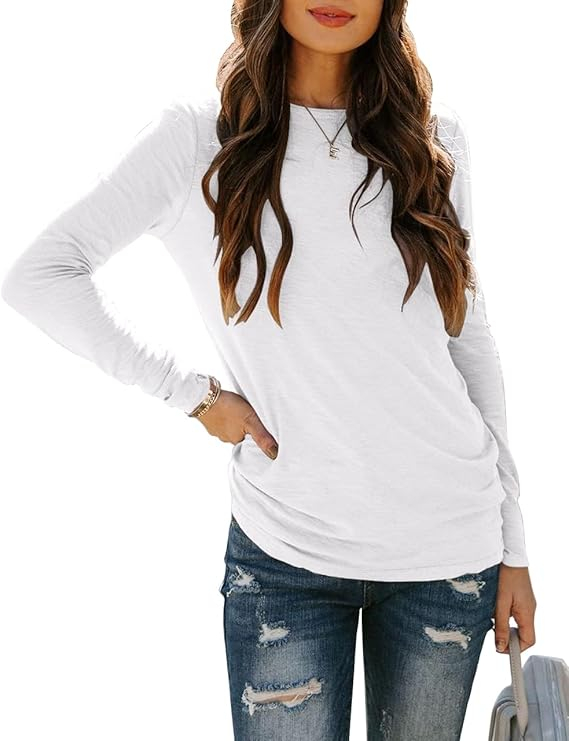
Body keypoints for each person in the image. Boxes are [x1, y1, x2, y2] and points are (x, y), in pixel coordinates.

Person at [2, 0, 537, 738]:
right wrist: (190, 395)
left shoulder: (434, 141)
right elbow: (42, 275)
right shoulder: (197, 140)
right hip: (287, 551)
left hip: (447, 550)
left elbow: (468, 342)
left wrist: (514, 548)